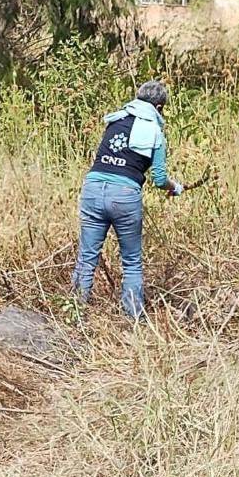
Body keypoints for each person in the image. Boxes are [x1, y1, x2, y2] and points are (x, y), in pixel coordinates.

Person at [72, 80, 183, 320]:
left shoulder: (114, 120)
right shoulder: (156, 133)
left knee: (87, 256)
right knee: (131, 261)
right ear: (159, 106)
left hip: (92, 188)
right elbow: (159, 178)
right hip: (124, 196)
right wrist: (175, 188)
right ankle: (134, 318)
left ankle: (75, 315)